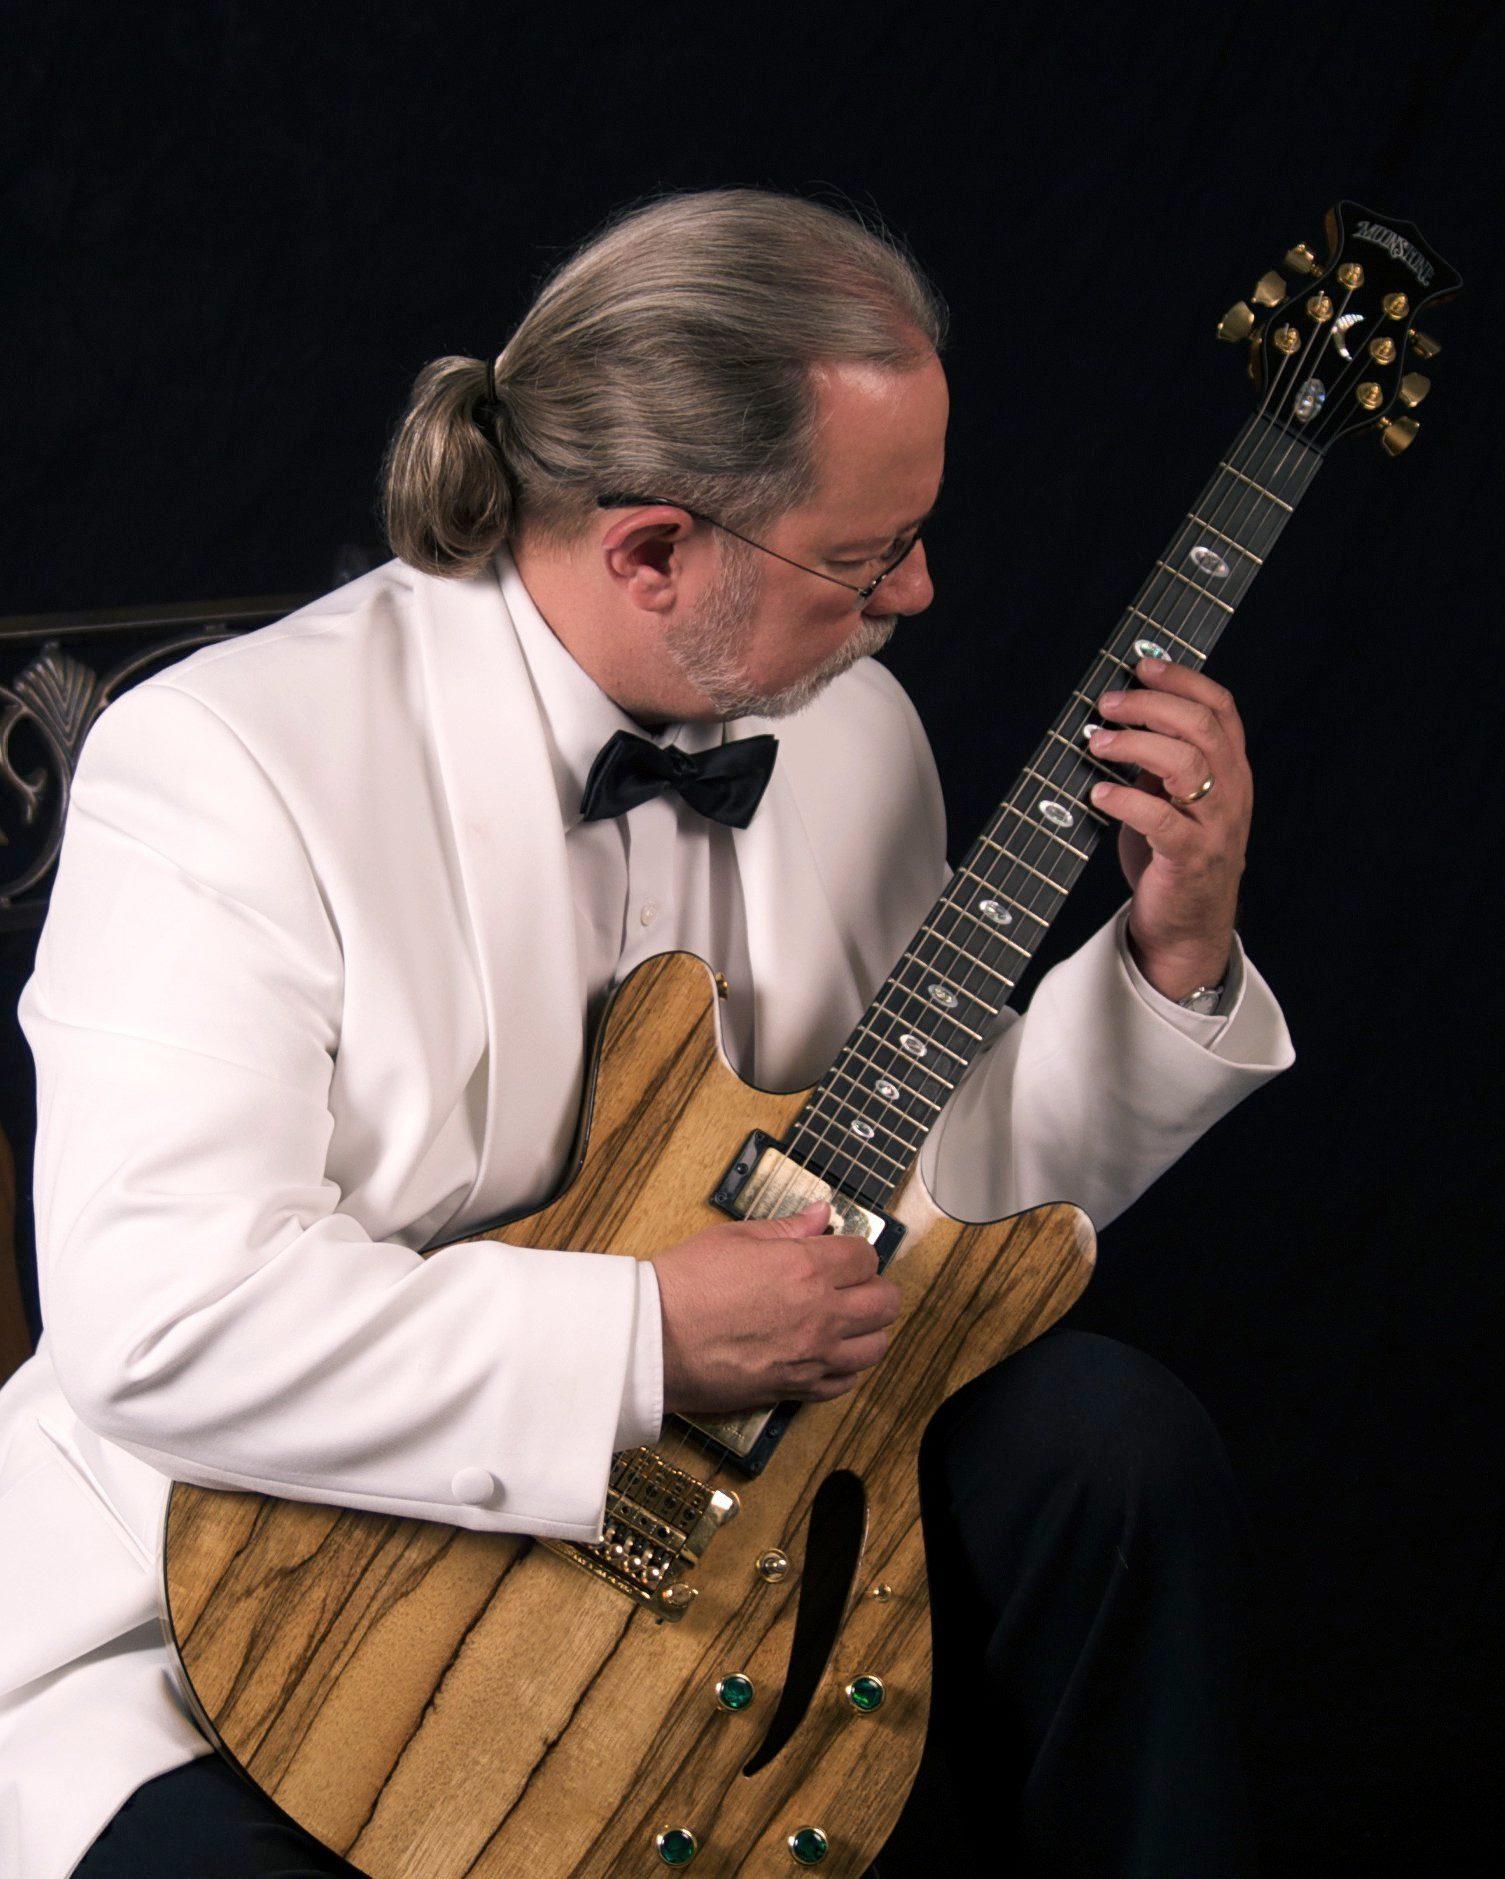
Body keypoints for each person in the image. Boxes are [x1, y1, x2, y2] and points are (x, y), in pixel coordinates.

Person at [0, 187, 1293, 1876]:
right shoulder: (227, 765)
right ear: (652, 551)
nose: (916, 591)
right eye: (861, 558)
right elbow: (165, 1320)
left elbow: (914, 1215)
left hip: (725, 1513)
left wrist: (1169, 955)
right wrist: (646, 1337)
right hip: (242, 1565)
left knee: (1110, 1446)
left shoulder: (848, 732)